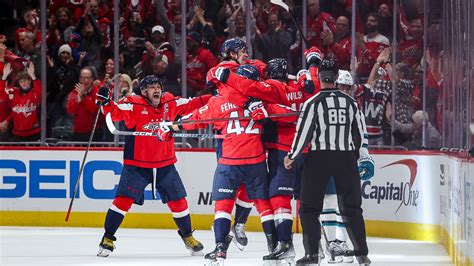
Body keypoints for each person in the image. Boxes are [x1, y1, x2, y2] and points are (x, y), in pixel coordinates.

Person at [159, 65, 297, 265]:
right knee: (264, 206)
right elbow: (290, 115)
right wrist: (266, 114)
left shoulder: (217, 101)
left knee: (223, 207)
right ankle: (274, 249)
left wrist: (170, 127)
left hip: (229, 162)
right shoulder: (261, 101)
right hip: (255, 162)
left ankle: (220, 251)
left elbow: (195, 119)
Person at [95, 75, 210, 257]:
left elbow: (195, 103)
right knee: (122, 201)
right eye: (151, 87)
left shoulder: (170, 101)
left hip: (165, 164)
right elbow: (114, 111)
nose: (156, 89)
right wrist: (105, 101)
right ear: (143, 91)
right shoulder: (133, 102)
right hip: (137, 164)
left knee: (179, 202)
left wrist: (219, 96)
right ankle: (107, 238)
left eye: (158, 86)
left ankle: (188, 237)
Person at [284, 59, 373, 265]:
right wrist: (359, 156)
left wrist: (292, 156)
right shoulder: (351, 103)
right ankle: (361, 253)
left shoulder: (312, 103)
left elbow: (303, 134)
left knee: (308, 208)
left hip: (319, 158)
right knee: (352, 207)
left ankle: (312, 254)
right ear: (335, 77)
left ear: (319, 77)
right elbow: (359, 135)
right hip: (346, 157)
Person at [0, 62, 41, 141]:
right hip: (17, 134)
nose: (23, 83)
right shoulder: (14, 93)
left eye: (25, 80)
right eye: (21, 81)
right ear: (18, 83)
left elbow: (39, 92)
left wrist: (33, 76)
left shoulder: (33, 93)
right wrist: (4, 77)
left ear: (29, 81)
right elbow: (2, 92)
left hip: (33, 133)